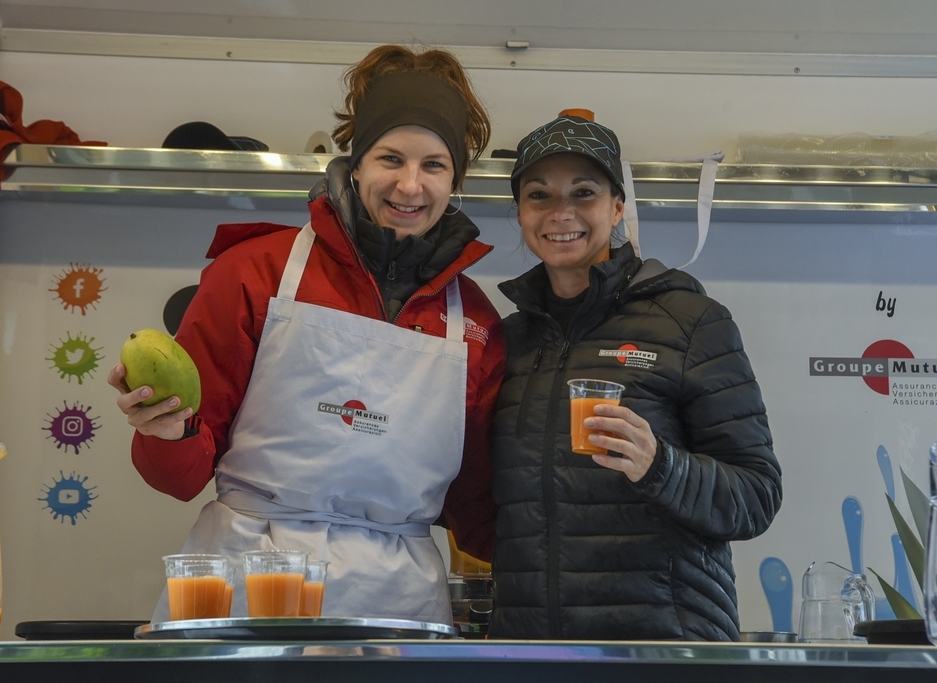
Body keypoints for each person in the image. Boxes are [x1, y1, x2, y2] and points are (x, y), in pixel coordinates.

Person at [107, 44, 505, 625]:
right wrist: (166, 434)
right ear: (358, 161)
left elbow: (478, 506)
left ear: (455, 180)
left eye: (434, 165)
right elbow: (180, 476)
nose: (410, 185)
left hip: (397, 604)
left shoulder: (474, 323)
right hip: (248, 584)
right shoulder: (254, 272)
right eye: (391, 158)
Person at [488, 114, 782, 641]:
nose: (562, 213)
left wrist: (658, 465)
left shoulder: (691, 322)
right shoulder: (507, 339)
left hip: (663, 650)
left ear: (617, 207)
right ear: (520, 213)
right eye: (539, 195)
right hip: (532, 648)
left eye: (584, 192)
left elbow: (757, 496)